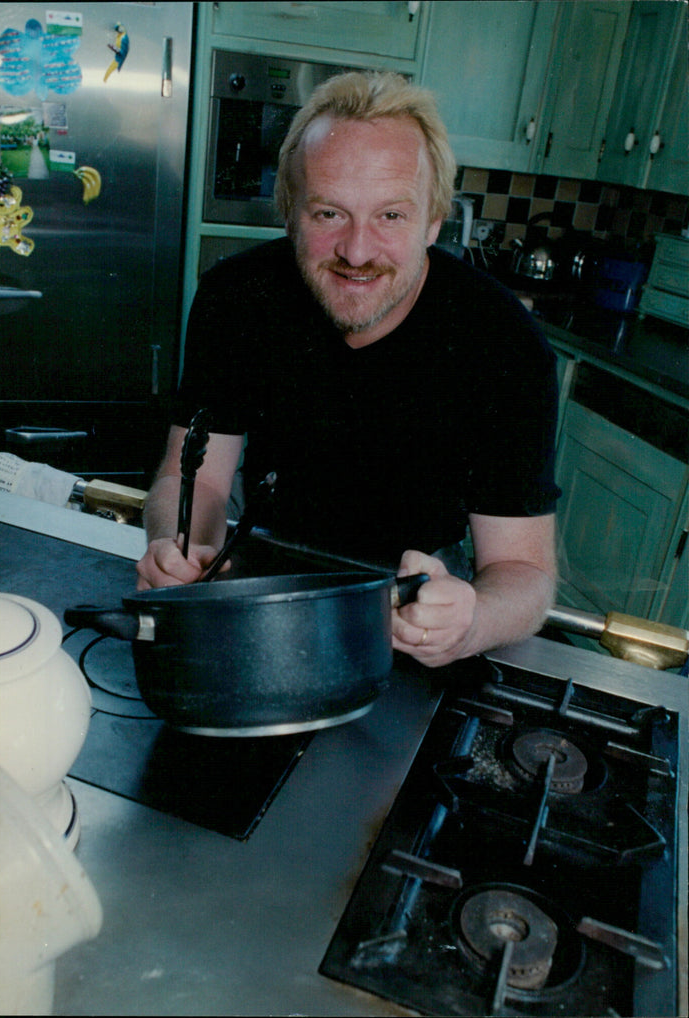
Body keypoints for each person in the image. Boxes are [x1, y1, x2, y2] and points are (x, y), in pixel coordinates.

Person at [136, 71, 560, 669]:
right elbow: (194, 479)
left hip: (419, 601)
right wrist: (180, 545)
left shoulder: (506, 347)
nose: (357, 252)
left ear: (434, 221)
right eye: (329, 213)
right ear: (289, 211)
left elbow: (524, 571)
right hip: (263, 569)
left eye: (391, 216)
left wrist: (471, 621)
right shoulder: (237, 298)